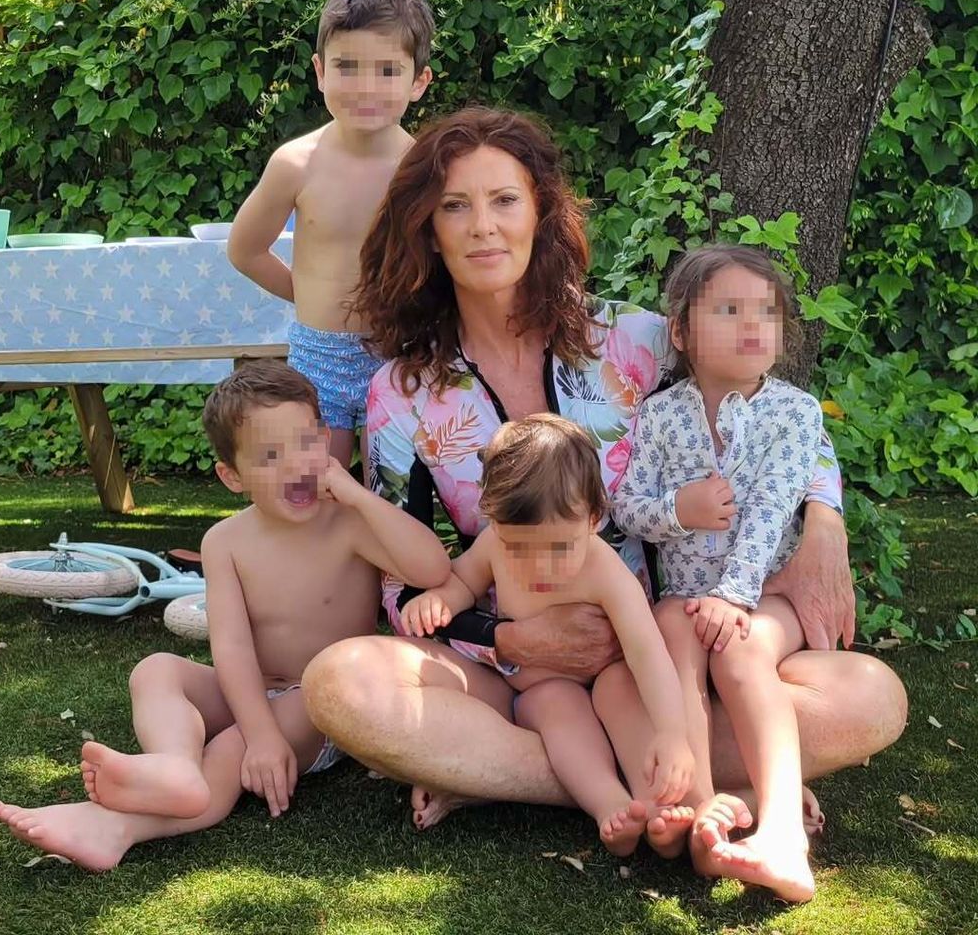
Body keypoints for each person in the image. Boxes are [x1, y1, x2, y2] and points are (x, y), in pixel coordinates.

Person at [300, 107, 908, 842]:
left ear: (541, 213)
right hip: (517, 676)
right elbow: (403, 585)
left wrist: (825, 520)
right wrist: (510, 639)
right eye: (455, 206)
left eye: (504, 201)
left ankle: (512, 775)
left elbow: (773, 410)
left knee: (872, 697)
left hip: (664, 662)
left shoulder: (635, 341)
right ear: (428, 229)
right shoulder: (402, 393)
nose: (482, 226)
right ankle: (660, 786)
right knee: (342, 682)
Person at [0, 360, 450, 870]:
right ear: (232, 476)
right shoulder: (225, 541)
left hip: (322, 703)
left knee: (233, 747)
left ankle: (117, 829)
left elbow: (431, 568)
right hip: (253, 688)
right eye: (271, 455)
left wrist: (358, 495)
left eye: (306, 442)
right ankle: (177, 768)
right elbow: (230, 646)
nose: (296, 464)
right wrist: (262, 729)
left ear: (326, 440)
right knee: (156, 669)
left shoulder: (350, 524)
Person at [612, 244, 826, 900]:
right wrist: (680, 510)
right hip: (684, 593)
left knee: (741, 656)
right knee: (671, 638)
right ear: (680, 332)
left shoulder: (794, 413)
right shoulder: (662, 413)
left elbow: (769, 512)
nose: (754, 325)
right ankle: (701, 809)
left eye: (766, 311)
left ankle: (783, 833)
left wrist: (736, 598)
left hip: (765, 594)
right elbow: (628, 507)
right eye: (729, 310)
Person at [402, 414, 695, 857]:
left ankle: (658, 804)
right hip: (540, 688)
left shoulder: (605, 572)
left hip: (606, 678)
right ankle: (609, 805)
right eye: (521, 549)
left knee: (623, 693)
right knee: (558, 709)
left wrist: (673, 733)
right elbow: (464, 582)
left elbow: (647, 654)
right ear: (495, 522)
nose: (540, 567)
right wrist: (441, 600)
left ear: (594, 518)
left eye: (559, 549)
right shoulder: (495, 544)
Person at [227, 0, 434, 467]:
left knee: (394, 495)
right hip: (319, 355)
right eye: (347, 66)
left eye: (388, 70)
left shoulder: (425, 167)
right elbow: (245, 250)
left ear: (419, 81)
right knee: (320, 487)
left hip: (400, 350)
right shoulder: (296, 163)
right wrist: (309, 293)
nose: (366, 86)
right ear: (320, 71)